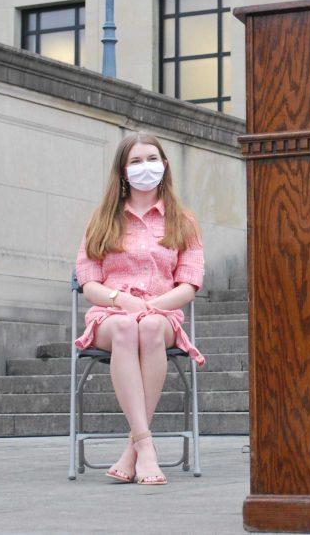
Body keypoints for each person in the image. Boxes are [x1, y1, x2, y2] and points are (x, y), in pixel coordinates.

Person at [73, 132, 205, 486]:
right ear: (122, 171)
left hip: (162, 313)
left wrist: (152, 306)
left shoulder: (183, 221)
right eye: (135, 161)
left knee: (145, 327)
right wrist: (122, 301)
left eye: (151, 159)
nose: (144, 167)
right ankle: (146, 446)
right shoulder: (102, 219)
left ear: (164, 165)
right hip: (111, 314)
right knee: (126, 327)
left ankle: (135, 449)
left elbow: (189, 284)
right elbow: (89, 283)